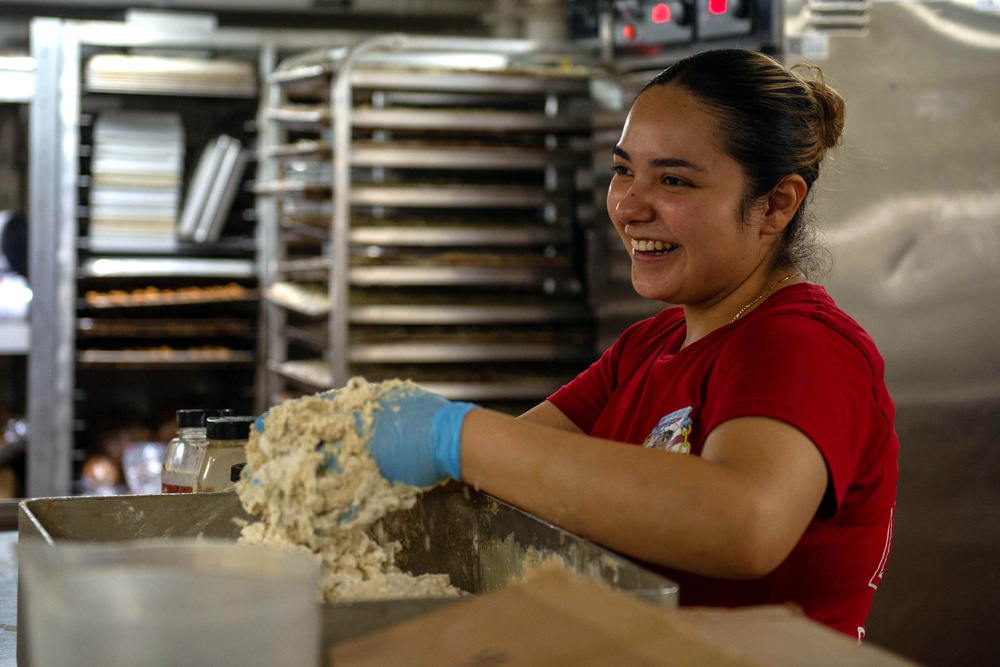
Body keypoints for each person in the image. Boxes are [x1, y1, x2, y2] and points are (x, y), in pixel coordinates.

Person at [282, 49, 900, 640]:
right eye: (623, 169)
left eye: (675, 181)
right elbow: (519, 469)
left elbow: (744, 524)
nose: (629, 205)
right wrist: (356, 460)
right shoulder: (654, 343)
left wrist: (453, 435)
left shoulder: (803, 347)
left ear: (775, 204)